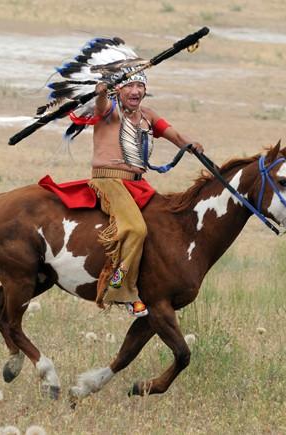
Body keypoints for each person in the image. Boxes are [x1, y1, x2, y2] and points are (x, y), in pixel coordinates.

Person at [87, 68, 204, 317]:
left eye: (140, 86)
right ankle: (119, 290)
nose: (136, 91)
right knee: (136, 229)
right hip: (110, 182)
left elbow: (175, 135)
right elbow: (99, 106)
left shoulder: (148, 116)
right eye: (130, 86)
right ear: (118, 89)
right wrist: (99, 94)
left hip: (139, 185)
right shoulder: (109, 110)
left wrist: (190, 145)